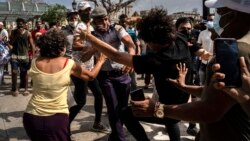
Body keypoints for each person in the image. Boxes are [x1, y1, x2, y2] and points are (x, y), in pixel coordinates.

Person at [125, 0, 250, 141]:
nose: (215, 19)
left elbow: (210, 111)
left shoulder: (237, 51)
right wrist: (185, 87)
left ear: (233, 15)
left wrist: (157, 109)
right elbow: (224, 93)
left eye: (219, 13)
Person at [78, 8, 192, 141]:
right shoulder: (180, 39)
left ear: (153, 41)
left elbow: (116, 55)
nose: (147, 46)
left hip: (168, 110)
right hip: (181, 104)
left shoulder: (155, 60)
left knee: (126, 113)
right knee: (170, 122)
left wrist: (88, 37)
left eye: (148, 43)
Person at [22, 29, 106, 141]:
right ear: (62, 47)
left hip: (31, 117)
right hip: (56, 119)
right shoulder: (68, 63)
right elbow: (91, 76)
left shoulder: (34, 62)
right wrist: (100, 61)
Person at [87, 7, 135, 141]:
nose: (104, 22)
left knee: (123, 109)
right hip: (105, 76)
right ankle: (120, 138)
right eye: (100, 20)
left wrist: (130, 61)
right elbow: (85, 57)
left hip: (122, 74)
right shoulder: (91, 34)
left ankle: (114, 135)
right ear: (94, 21)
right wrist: (92, 48)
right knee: (113, 109)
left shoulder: (118, 29)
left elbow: (131, 45)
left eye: (105, 19)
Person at [69, 2, 110, 133]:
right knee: (80, 101)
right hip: (79, 67)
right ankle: (63, 125)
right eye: (84, 10)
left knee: (98, 95)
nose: (88, 12)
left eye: (89, 9)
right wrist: (93, 46)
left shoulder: (89, 25)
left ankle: (97, 123)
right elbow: (75, 45)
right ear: (80, 13)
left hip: (90, 67)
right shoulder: (80, 26)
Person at [8, 18, 36, 96]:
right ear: (17, 24)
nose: (20, 25)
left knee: (25, 74)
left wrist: (32, 56)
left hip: (24, 56)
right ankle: (15, 89)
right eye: (18, 24)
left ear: (24, 24)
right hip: (14, 56)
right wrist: (16, 35)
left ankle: (26, 89)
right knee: (14, 72)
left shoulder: (28, 33)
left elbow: (32, 45)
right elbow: (11, 43)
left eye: (21, 24)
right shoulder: (13, 32)